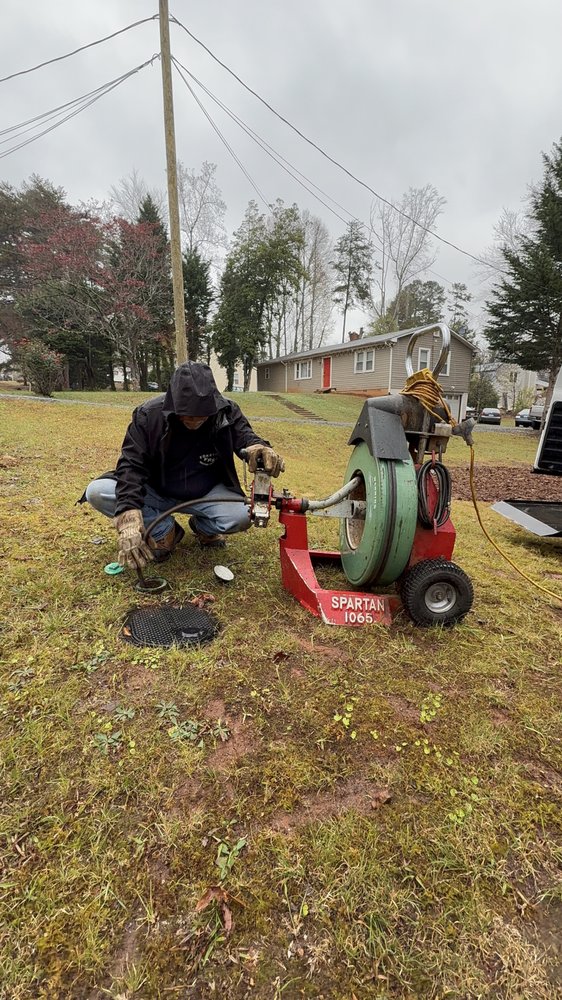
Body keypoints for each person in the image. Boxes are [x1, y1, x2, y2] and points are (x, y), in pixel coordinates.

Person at [82, 362, 284, 570]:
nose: (195, 420)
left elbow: (245, 436)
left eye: (202, 415)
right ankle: (164, 531)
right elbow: (131, 465)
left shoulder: (226, 411)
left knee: (243, 515)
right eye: (187, 414)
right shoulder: (147, 415)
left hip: (206, 491)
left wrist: (259, 448)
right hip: (157, 489)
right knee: (97, 492)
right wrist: (128, 518)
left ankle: (204, 527)